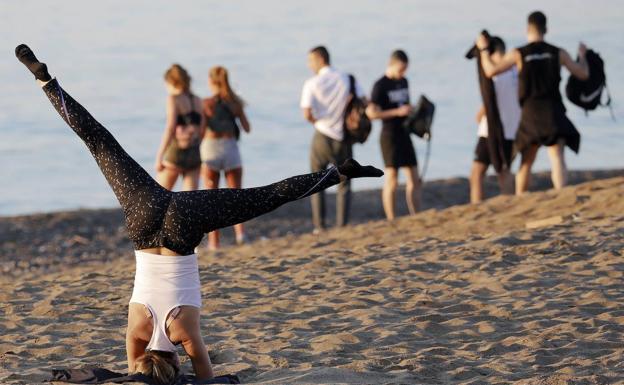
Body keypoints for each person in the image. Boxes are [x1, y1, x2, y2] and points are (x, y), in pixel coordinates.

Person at [16, 44, 382, 385]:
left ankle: (337, 172)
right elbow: (133, 374)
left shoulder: (183, 333)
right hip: (144, 220)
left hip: (183, 223)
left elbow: (205, 381)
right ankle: (47, 82)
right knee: (99, 142)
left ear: (176, 365)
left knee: (264, 198)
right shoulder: (138, 332)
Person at [476, 11, 589, 194]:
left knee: (526, 162)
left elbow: (491, 71)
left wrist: (482, 50)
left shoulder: (518, 53)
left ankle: (521, 199)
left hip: (530, 112)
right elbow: (582, 74)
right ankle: (561, 195)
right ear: (546, 29)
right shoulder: (557, 52)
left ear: (528, 29)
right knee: (557, 156)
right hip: (552, 109)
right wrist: (582, 55)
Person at [300, 46, 365, 233]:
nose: (309, 64)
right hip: (343, 136)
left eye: (311, 60)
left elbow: (306, 113)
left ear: (320, 59)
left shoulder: (312, 83)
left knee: (317, 181)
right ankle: (342, 224)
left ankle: (320, 226)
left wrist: (316, 121)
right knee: (344, 182)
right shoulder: (347, 78)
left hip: (322, 134)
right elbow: (364, 100)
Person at [366, 50, 421, 220]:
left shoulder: (404, 81)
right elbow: (371, 114)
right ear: (391, 65)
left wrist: (412, 111)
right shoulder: (380, 85)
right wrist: (397, 112)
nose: (403, 73)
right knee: (392, 178)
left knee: (414, 175)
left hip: (405, 132)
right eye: (400, 69)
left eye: (405, 69)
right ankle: (391, 218)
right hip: (389, 135)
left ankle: (415, 214)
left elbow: (404, 104)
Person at [201, 66, 250, 250]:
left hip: (210, 149)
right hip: (230, 149)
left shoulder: (206, 104)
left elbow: (200, 130)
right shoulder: (235, 102)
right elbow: (247, 127)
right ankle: (241, 235)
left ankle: (214, 243)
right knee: (236, 194)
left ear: (211, 81)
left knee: (211, 197)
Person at [470, 37, 521, 203]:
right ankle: (510, 202)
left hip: (492, 129)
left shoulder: (496, 72)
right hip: (512, 128)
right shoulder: (515, 69)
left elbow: (489, 100)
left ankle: (477, 206)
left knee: (478, 172)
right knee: (503, 170)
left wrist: (479, 115)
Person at [154, 64, 205, 191]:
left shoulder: (174, 99)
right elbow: (202, 129)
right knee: (190, 202)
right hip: (194, 152)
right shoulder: (198, 100)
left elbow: (170, 128)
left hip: (176, 151)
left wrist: (159, 156)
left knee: (157, 196)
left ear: (171, 82)